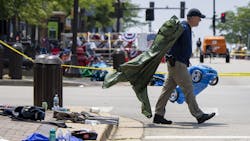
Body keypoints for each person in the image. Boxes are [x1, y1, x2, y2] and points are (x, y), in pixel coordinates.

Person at [153, 8, 216, 124]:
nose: (200, 21)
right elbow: (170, 42)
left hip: (176, 62)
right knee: (188, 89)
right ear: (192, 18)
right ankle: (199, 115)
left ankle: (158, 115)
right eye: (199, 18)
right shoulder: (184, 28)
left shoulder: (185, 28)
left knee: (167, 90)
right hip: (177, 63)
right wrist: (171, 55)